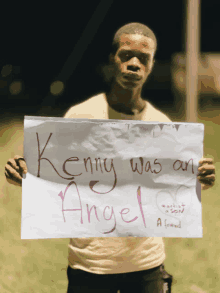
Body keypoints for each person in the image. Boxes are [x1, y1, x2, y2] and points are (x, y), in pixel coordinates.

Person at [4, 22, 215, 293]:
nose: (134, 64)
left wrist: (198, 181)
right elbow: (53, 175)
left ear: (151, 65)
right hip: (89, 266)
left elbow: (174, 189)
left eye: (144, 58)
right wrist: (24, 175)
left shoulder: (162, 126)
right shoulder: (79, 118)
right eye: (126, 55)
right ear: (111, 60)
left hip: (146, 266)